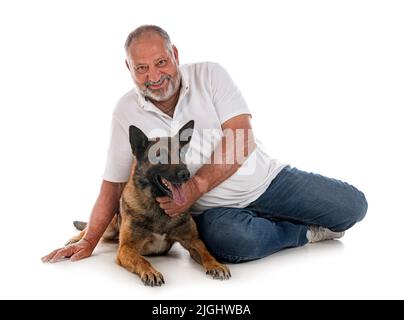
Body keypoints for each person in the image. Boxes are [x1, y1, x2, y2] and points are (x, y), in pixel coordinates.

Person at [42, 25, 367, 264]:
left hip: (269, 181)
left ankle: (276, 220)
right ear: (129, 69)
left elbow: (241, 138)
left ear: (175, 55)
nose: (153, 76)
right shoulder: (125, 111)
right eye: (141, 68)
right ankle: (303, 233)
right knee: (231, 244)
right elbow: (112, 185)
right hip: (214, 212)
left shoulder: (210, 75)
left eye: (160, 63)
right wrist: (89, 241)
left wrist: (196, 185)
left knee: (353, 207)